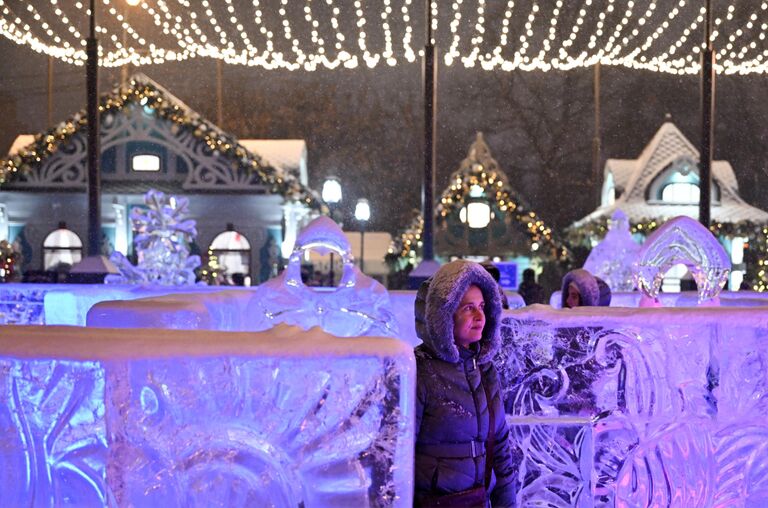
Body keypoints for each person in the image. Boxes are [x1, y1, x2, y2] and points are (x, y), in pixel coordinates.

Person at [414, 260, 516, 507]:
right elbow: (398, 453)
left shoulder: (486, 369)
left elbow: (500, 449)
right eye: (468, 308)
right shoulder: (420, 370)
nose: (480, 316)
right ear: (445, 314)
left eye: (482, 306)